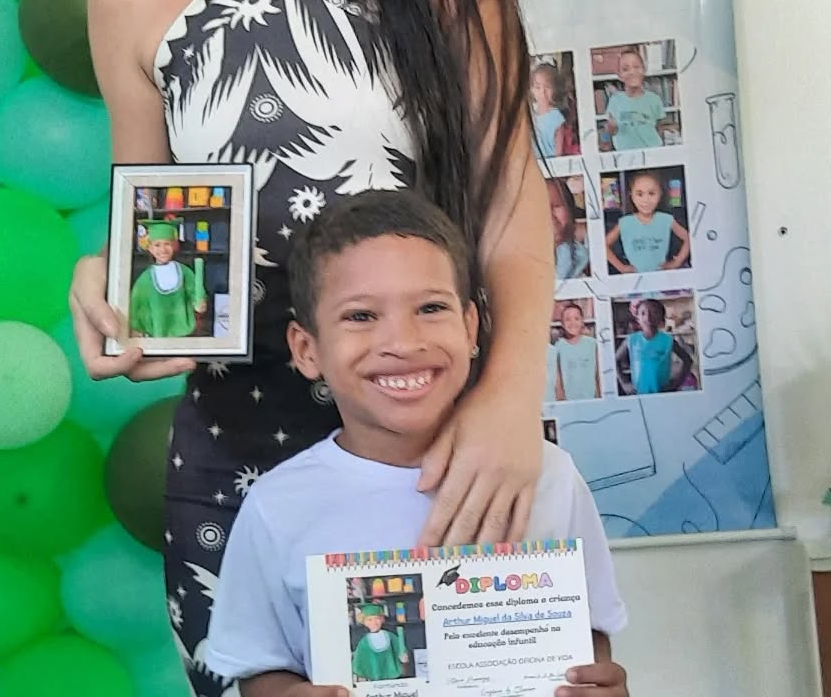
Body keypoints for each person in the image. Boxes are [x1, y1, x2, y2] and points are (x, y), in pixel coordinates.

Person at [67, 0, 553, 693]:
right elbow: (153, 245)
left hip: (439, 438)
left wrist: (512, 399)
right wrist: (112, 293)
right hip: (233, 464)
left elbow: (510, 193)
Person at [204, 190, 629, 697]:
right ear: (307, 349)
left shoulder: (549, 475)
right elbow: (259, 668)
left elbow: (589, 639)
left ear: (470, 327)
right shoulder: (277, 505)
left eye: (430, 307)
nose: (404, 343)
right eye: (361, 316)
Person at [129, 218, 207, 338]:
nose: (163, 250)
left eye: (167, 244)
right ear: (150, 248)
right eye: (157, 245)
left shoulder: (183, 271)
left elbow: (195, 290)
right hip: (157, 332)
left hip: (183, 332)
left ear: (174, 246)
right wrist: (136, 327)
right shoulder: (145, 279)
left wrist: (199, 302)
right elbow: (137, 305)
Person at [604, 170, 690, 274]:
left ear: (660, 194)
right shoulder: (625, 222)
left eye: (651, 193)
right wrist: (621, 267)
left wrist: (676, 262)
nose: (646, 200)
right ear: (632, 196)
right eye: (640, 194)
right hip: (635, 278)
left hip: (661, 276)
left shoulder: (666, 219)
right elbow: (604, 245)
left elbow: (688, 238)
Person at [616, 298, 694, 395]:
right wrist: (624, 383)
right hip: (639, 393)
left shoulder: (667, 340)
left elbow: (687, 360)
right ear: (637, 318)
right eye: (643, 313)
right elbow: (615, 360)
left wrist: (676, 383)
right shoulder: (631, 340)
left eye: (654, 312)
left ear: (661, 317)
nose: (648, 317)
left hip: (662, 393)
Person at [605, 47, 665, 151]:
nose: (632, 72)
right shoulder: (615, 100)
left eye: (636, 67)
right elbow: (612, 131)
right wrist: (610, 128)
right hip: (625, 155)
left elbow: (659, 128)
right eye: (625, 69)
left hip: (652, 152)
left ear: (644, 70)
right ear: (619, 75)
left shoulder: (654, 99)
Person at [350, 604, 406, 682]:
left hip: (392, 676)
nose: (374, 622)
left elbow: (399, 648)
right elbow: (359, 660)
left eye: (377, 618)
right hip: (374, 678)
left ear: (382, 619)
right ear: (364, 622)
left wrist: (403, 655)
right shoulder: (364, 641)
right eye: (369, 620)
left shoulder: (390, 636)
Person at [556, 302, 599, 401]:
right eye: (567, 319)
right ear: (562, 324)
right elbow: (558, 378)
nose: (572, 323)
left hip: (591, 399)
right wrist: (561, 400)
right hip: (569, 401)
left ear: (582, 321)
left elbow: (598, 375)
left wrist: (600, 397)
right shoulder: (558, 346)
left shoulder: (592, 344)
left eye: (576, 319)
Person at [548, 178, 589, 281]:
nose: (549, 215)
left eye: (557, 206)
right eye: (539, 208)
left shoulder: (578, 256)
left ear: (569, 209)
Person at [530, 62, 566, 158]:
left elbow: (558, 152)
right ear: (532, 90)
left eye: (548, 87)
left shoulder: (557, 117)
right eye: (538, 87)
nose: (543, 92)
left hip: (551, 164)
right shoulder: (530, 115)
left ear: (555, 89)